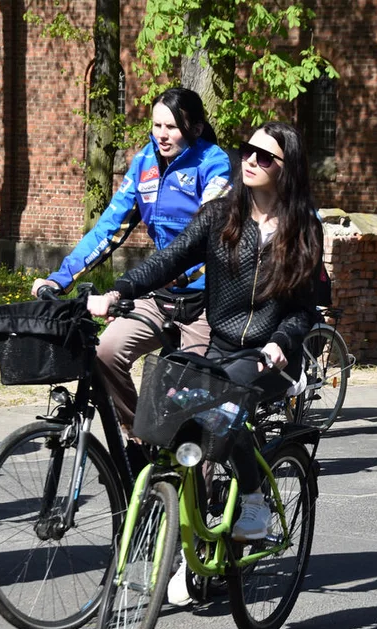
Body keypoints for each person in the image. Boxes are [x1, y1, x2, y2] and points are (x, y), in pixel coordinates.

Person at [88, 121, 322, 543]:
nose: (250, 160)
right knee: (178, 410)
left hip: (271, 356)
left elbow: (303, 311)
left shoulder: (303, 228)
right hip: (222, 347)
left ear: (286, 169)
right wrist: (119, 289)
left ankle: (253, 499)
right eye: (248, 150)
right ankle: (189, 537)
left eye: (264, 156)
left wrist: (280, 344)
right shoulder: (220, 215)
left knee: (222, 405)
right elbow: (170, 259)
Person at [32, 88, 230, 432]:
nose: (163, 135)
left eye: (172, 127)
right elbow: (108, 228)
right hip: (160, 293)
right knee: (104, 353)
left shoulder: (214, 163)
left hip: (204, 298)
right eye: (157, 126)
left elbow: (208, 235)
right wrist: (60, 279)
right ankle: (139, 439)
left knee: (190, 401)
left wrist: (179, 276)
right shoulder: (144, 165)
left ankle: (198, 471)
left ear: (196, 129)